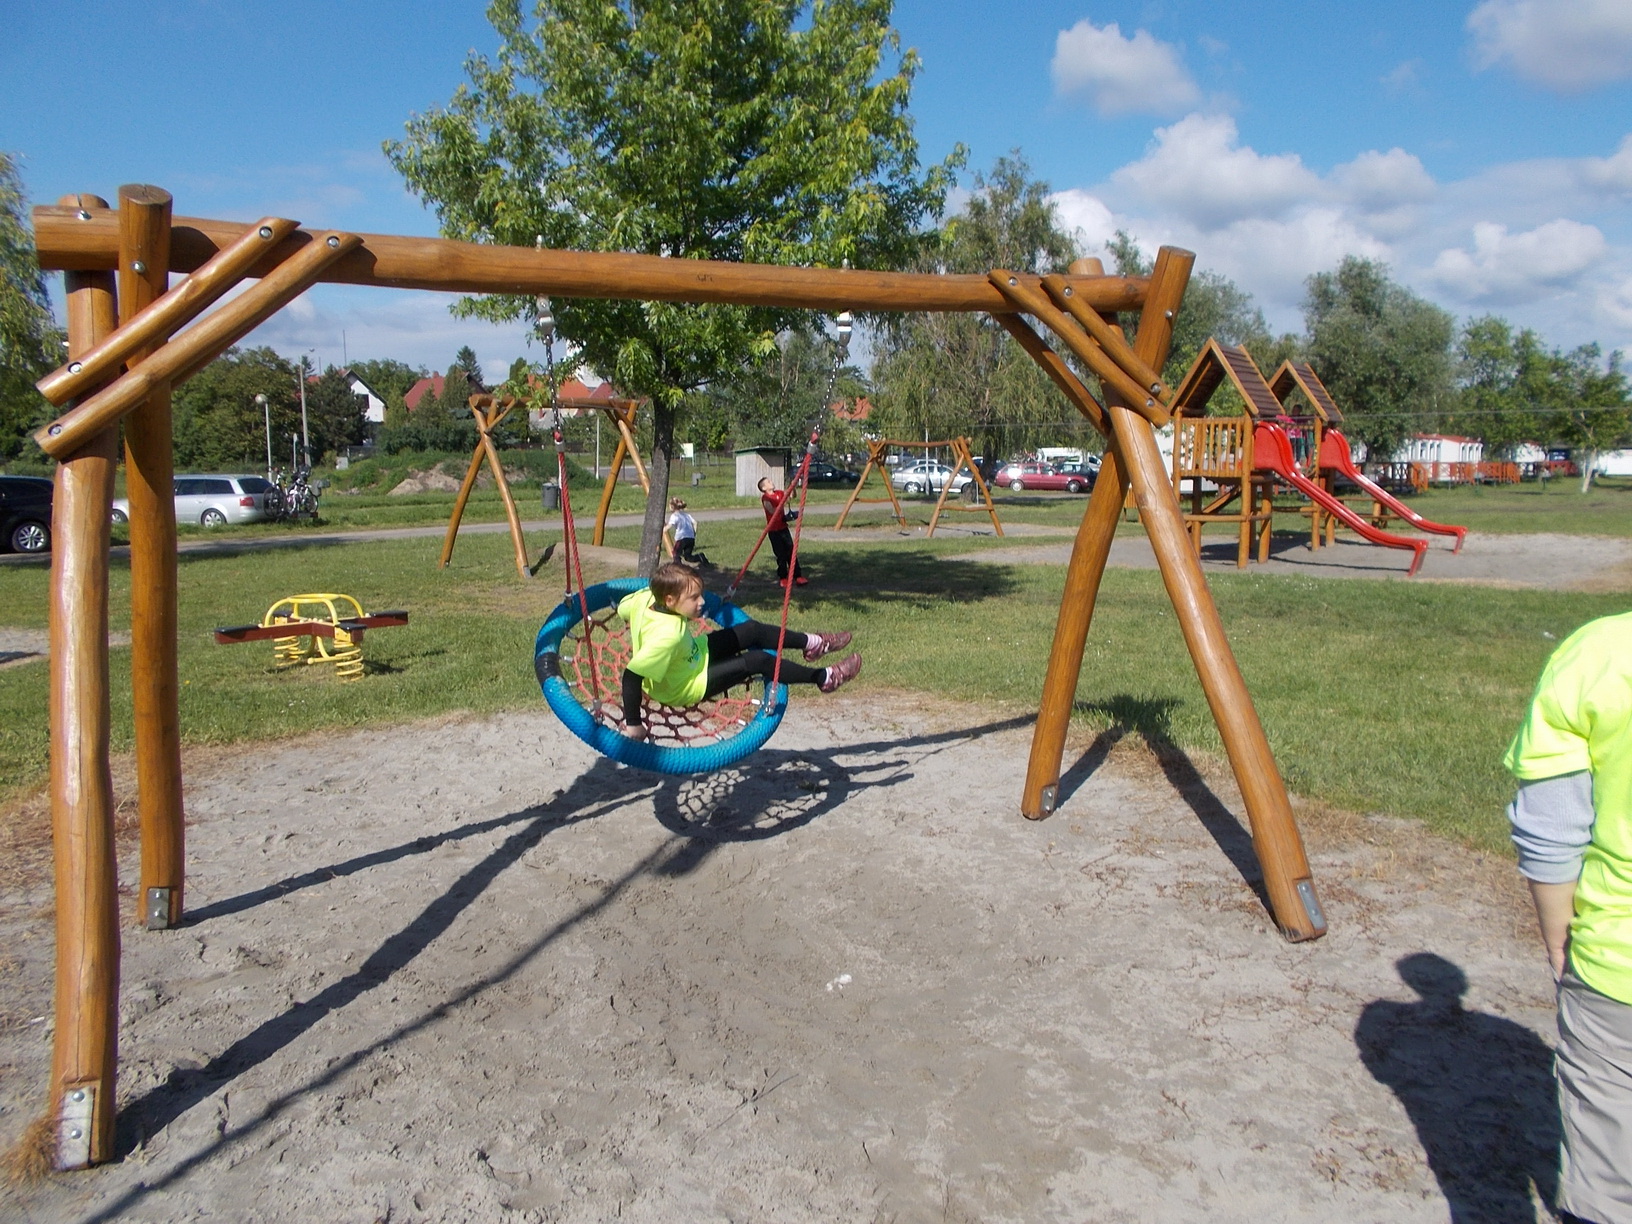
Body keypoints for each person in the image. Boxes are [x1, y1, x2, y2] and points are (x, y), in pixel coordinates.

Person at [1505, 610, 1632, 1224]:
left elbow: (1552, 821)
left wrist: (1557, 928)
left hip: (1617, 962)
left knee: (1606, 1182)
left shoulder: (1602, 652)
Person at [617, 563, 859, 741]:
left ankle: (813, 643)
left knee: (751, 630)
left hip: (691, 655)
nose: (701, 602)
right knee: (758, 660)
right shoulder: (666, 637)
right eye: (694, 598)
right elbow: (632, 675)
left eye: (700, 594)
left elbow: (622, 609)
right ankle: (823, 678)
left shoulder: (644, 597)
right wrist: (633, 723)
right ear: (669, 600)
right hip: (687, 684)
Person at [758, 475, 806, 586]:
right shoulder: (766, 498)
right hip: (773, 531)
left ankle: (797, 576)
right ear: (764, 488)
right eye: (769, 482)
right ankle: (783, 577)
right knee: (781, 554)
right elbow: (771, 510)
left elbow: (791, 497)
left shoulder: (779, 493)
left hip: (783, 528)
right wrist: (782, 503)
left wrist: (792, 487)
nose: (772, 482)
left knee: (791, 551)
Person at [662, 496, 705, 567]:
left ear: (672, 506)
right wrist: (693, 533)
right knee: (688, 557)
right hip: (691, 538)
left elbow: (669, 526)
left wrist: (662, 530)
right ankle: (700, 557)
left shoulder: (674, 516)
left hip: (682, 538)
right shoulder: (686, 515)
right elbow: (695, 523)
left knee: (675, 553)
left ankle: (678, 566)